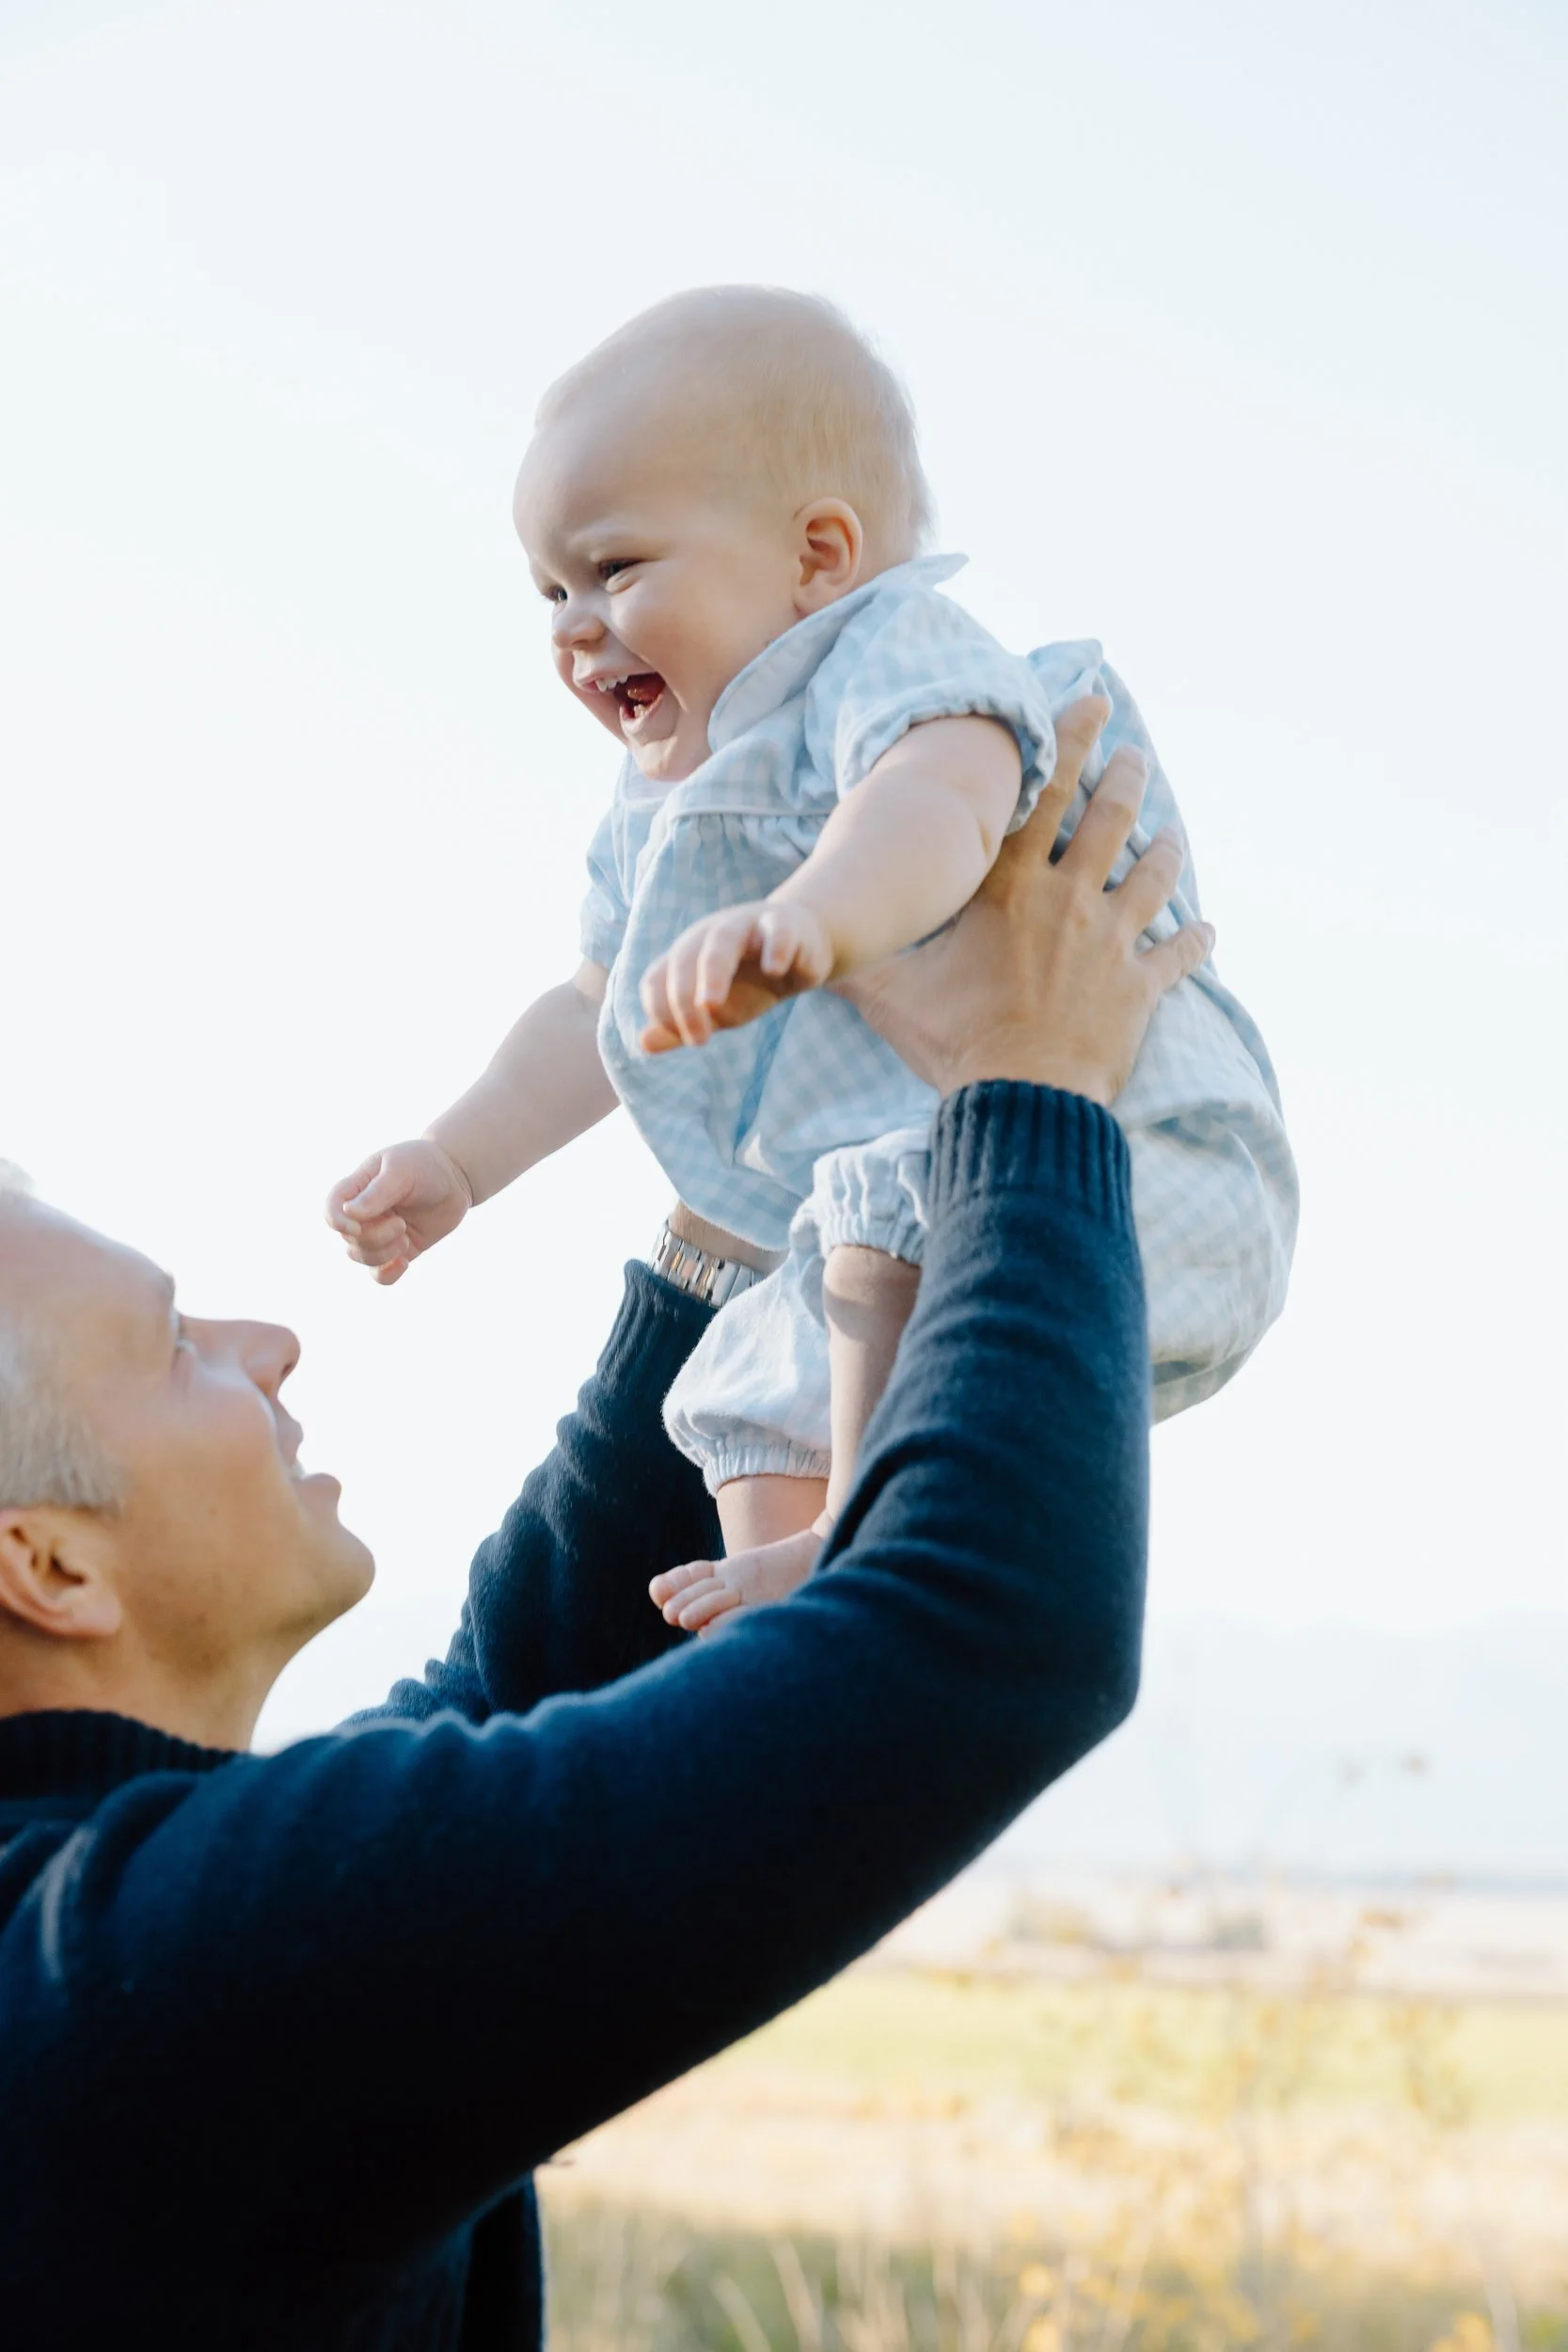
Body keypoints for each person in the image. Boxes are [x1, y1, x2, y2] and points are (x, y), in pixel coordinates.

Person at [0, 729, 1209, 2349]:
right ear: (47, 1567)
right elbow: (984, 1644)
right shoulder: (147, 1979)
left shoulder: (99, 1950)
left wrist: (730, 1213)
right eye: (171, 1349)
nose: (267, 1340)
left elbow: (516, 1694)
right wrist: (1030, 1091)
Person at [327, 286, 1297, 1631]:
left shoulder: (887, 657)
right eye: (549, 589)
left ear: (819, 556)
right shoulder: (658, 810)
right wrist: (457, 1160)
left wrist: (817, 919)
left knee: (862, 1223)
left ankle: (861, 1536)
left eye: (614, 570)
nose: (569, 624)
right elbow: (592, 1007)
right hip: (913, 1204)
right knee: (740, 1389)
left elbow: (939, 805)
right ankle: (778, 1623)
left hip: (1135, 1161)